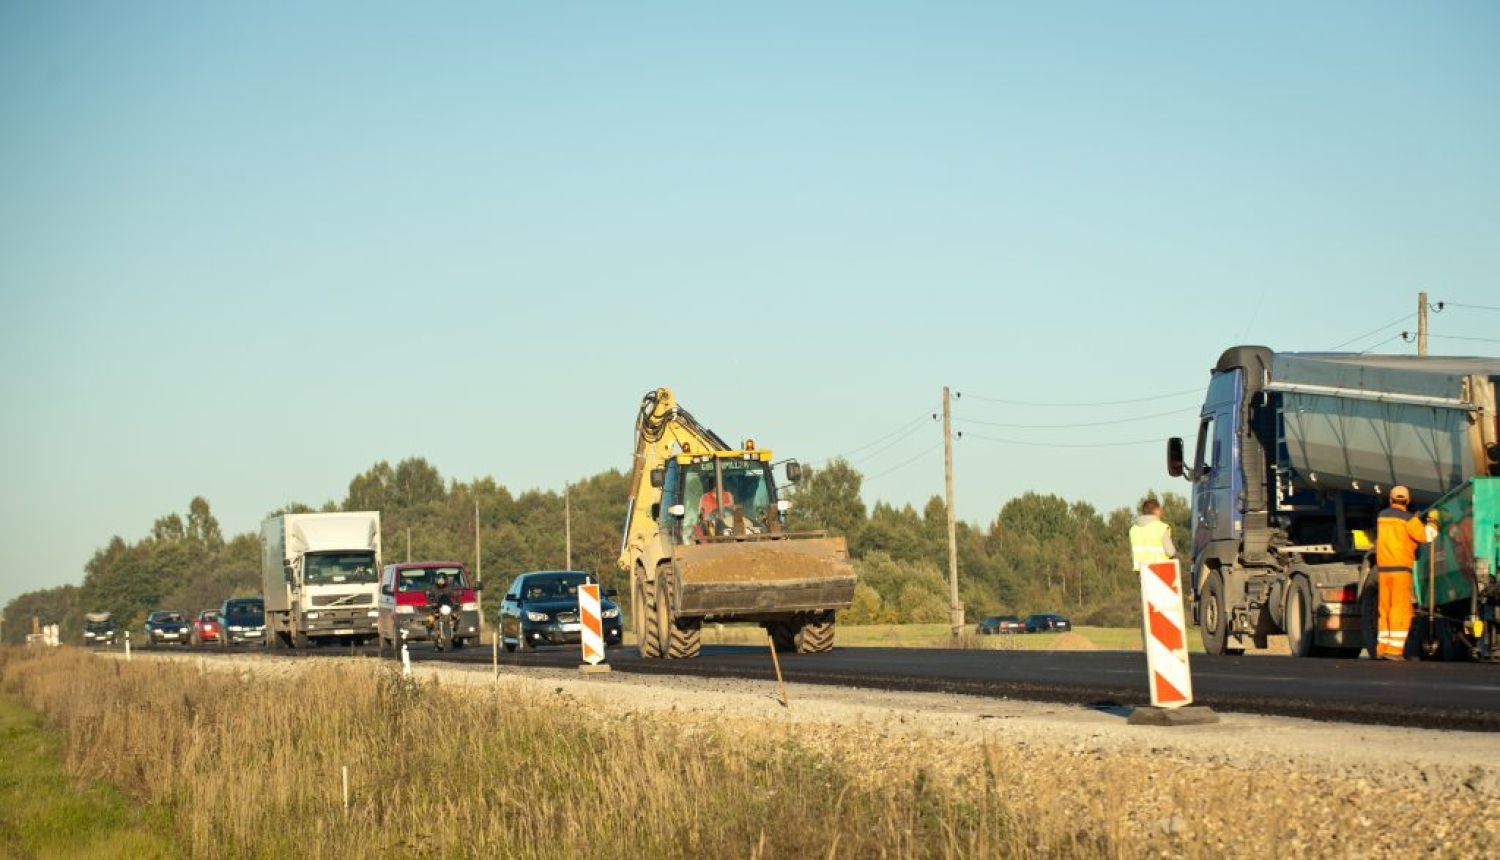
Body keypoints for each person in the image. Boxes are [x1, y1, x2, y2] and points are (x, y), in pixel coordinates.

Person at [1375, 485, 1433, 661]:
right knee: (1400, 609)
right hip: (1401, 569)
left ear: (1390, 499)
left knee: (1384, 609)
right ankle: (1394, 651)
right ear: (1407, 501)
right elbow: (1426, 536)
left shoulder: (1381, 517)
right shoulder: (1408, 519)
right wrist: (1432, 522)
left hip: (1384, 569)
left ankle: (1381, 648)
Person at [1129, 498, 1177, 569]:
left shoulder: (1133, 530)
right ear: (1156, 511)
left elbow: (1133, 554)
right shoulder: (1161, 527)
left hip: (1141, 573)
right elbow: (1171, 552)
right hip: (1160, 572)